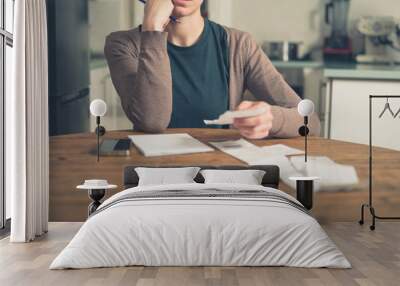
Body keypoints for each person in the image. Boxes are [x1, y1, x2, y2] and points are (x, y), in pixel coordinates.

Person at [104, 0, 320, 139]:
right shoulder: (122, 45)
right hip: (151, 177)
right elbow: (152, 121)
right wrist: (152, 28)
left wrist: (272, 118)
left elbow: (311, 122)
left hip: (220, 176)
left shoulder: (239, 44)